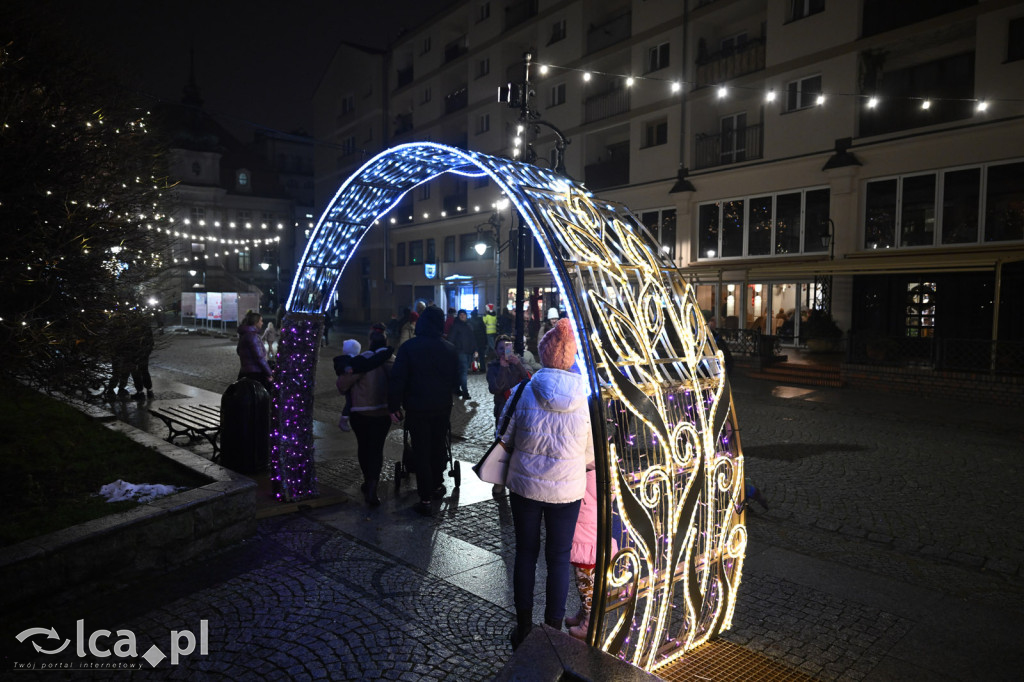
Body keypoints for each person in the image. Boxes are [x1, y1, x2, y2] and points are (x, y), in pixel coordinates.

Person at [497, 318, 594, 649]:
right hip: (566, 492)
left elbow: (503, 434)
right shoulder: (584, 397)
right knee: (558, 557)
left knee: (525, 553)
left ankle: (523, 627)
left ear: (543, 353)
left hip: (525, 487)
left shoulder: (525, 389)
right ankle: (553, 629)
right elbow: (590, 455)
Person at [388, 305, 459, 517]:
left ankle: (425, 497)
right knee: (438, 446)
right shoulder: (449, 349)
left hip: (417, 407)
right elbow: (455, 381)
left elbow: (398, 380)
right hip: (441, 407)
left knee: (421, 450)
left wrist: (394, 406)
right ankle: (437, 485)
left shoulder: (409, 348)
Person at [336, 330, 394, 507]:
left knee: (364, 447)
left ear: (370, 342)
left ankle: (368, 481)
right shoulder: (392, 360)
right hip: (383, 413)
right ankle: (373, 486)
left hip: (360, 412)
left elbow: (342, 384)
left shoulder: (364, 360)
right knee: (377, 449)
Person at [566, 468, 598, 640]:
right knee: (589, 584)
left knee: (585, 584)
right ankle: (583, 613)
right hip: (592, 538)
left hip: (585, 541)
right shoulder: (600, 474)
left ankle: (588, 623)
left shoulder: (586, 475)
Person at [237, 311, 273, 392]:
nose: (262, 323)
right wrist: (269, 373)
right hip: (255, 374)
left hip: (245, 372)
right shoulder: (253, 336)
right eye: (261, 320)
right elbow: (259, 358)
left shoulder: (245, 334)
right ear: (255, 322)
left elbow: (238, 351)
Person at [332, 339, 362, 432]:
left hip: (351, 384)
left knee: (351, 402)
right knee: (350, 403)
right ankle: (344, 421)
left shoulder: (343, 360)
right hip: (351, 385)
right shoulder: (347, 361)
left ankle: (348, 420)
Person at [447, 309, 476, 400]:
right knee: (463, 372)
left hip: (469, 352)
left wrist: (475, 350)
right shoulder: (456, 326)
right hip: (460, 352)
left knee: (461, 372)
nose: (463, 316)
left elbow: (473, 339)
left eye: (464, 314)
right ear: (458, 316)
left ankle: (456, 388)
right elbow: (450, 339)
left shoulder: (469, 325)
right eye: (461, 315)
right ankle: (465, 392)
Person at [130, 315, 155, 400]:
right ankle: (149, 390)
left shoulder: (133, 328)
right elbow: (151, 343)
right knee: (144, 371)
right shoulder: (146, 328)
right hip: (143, 353)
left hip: (136, 353)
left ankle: (140, 392)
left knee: (136, 372)